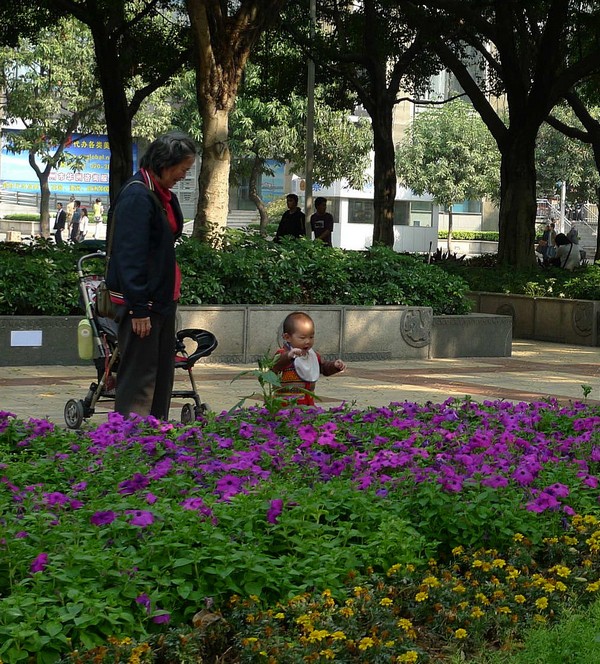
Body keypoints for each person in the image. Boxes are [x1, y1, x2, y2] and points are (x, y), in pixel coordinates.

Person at [106, 131, 197, 419]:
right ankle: (130, 443)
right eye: (183, 168)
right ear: (164, 163)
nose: (184, 175)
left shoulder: (161, 194)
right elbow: (130, 257)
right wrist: (139, 308)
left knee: (159, 375)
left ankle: (155, 438)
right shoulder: (137, 195)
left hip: (162, 299)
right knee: (140, 380)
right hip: (143, 304)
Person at [272, 311, 346, 406]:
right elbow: (276, 366)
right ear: (287, 337)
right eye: (302, 338)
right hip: (286, 405)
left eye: (311, 337)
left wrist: (335, 366)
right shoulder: (282, 353)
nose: (308, 341)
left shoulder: (312, 355)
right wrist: (289, 356)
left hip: (308, 404)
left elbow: (323, 367)